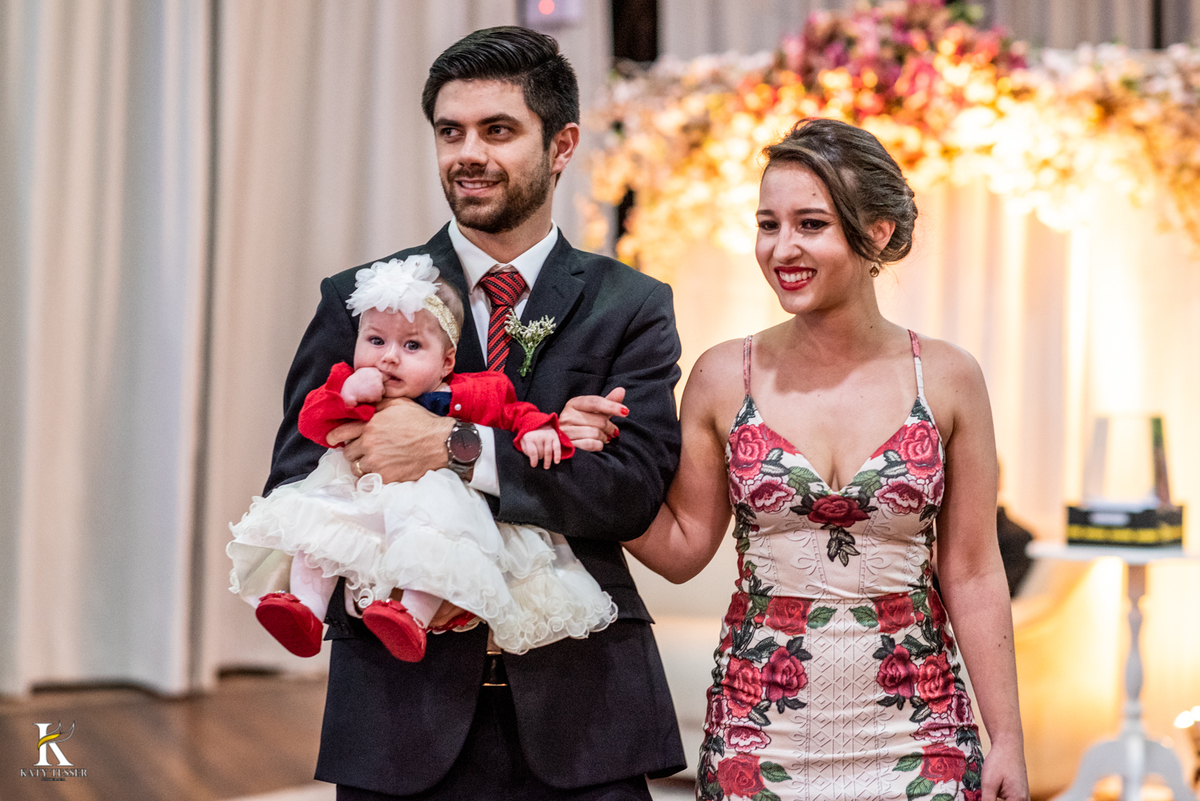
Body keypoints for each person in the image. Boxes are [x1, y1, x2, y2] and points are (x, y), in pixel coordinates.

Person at [264, 25, 686, 801]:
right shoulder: (363, 300)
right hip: (399, 710)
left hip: (583, 706)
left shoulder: (630, 306)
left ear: (562, 146)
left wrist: (453, 444)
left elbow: (628, 492)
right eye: (450, 131)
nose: (468, 153)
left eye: (498, 130)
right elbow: (299, 479)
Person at [624, 119, 1030, 801]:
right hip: (761, 730)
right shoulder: (725, 375)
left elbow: (973, 568)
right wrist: (582, 474)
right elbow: (684, 545)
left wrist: (1009, 738)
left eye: (810, 224)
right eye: (768, 223)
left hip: (919, 731)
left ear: (875, 233)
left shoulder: (950, 377)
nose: (782, 247)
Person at [229, 255, 616, 663]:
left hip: (435, 503)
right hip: (356, 496)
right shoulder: (348, 383)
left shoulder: (474, 391)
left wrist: (539, 430)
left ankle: (410, 616)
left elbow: (512, 414)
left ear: (447, 361)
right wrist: (346, 396)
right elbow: (309, 425)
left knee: (436, 546)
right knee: (318, 532)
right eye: (375, 341)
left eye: (412, 345)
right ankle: (305, 608)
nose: (389, 357)